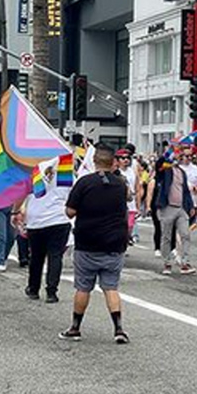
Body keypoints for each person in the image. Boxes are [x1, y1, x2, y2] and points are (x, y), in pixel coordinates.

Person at [59, 143, 130, 344]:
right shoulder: (120, 184)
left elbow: (70, 211)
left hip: (88, 241)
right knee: (111, 287)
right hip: (114, 243)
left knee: (83, 287)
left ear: (94, 161)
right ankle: (118, 329)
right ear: (112, 162)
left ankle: (75, 327)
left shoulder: (84, 182)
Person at [23, 158, 72, 303]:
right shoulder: (67, 173)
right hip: (59, 219)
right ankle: (52, 292)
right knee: (55, 256)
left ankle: (33, 288)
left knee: (36, 257)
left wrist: (15, 212)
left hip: (36, 220)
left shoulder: (33, 169)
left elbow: (23, 192)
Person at [155, 152, 196, 275]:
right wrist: (166, 155)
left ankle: (185, 262)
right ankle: (167, 263)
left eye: (181, 156)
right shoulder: (166, 171)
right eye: (177, 156)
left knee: (185, 234)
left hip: (181, 208)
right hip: (167, 207)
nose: (179, 158)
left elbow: (186, 191)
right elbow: (158, 167)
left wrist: (191, 206)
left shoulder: (182, 172)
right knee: (166, 236)